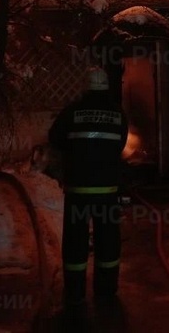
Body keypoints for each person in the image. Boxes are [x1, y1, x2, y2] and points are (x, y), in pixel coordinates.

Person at [48, 66, 128, 309]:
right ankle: (106, 289)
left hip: (78, 191)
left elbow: (55, 138)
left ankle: (75, 291)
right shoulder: (118, 114)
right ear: (106, 86)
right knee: (108, 239)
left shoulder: (73, 112)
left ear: (86, 87)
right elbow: (121, 144)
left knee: (75, 239)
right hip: (107, 191)